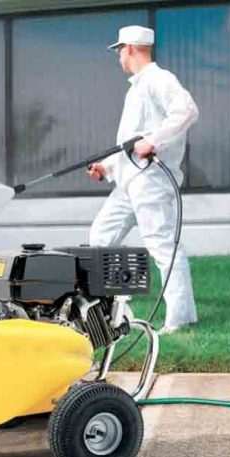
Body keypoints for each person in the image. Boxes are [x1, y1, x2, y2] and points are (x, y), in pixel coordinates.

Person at [87, 25, 198, 334]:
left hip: (151, 182)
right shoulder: (136, 87)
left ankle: (181, 318)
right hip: (129, 183)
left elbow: (187, 111)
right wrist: (105, 167)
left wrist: (154, 142)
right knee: (100, 239)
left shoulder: (159, 80)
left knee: (162, 247)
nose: (119, 56)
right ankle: (114, 309)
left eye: (120, 50)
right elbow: (128, 142)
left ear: (131, 48)